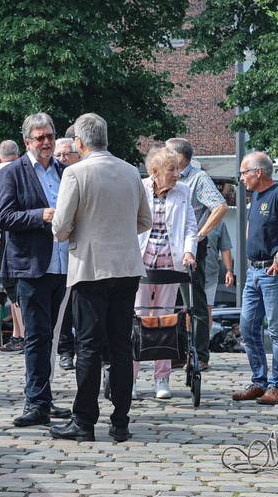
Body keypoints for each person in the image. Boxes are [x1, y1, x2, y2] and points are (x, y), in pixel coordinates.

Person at [50, 114, 151, 443]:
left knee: (89, 346)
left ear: (79, 142)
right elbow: (144, 220)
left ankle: (84, 421)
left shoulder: (75, 173)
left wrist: (81, 232)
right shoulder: (131, 171)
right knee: (121, 345)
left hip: (91, 267)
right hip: (126, 266)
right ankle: (120, 421)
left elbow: (60, 227)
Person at [0, 113, 72, 427]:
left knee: (50, 337)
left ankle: (45, 398)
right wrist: (40, 215)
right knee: (37, 336)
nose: (46, 142)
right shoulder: (12, 172)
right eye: (39, 138)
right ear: (27, 141)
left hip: (63, 265)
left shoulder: (65, 171)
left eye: (50, 136)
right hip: (31, 267)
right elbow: (4, 217)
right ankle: (35, 402)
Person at [233, 151, 278, 406]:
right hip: (254, 271)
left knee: (277, 331)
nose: (241, 178)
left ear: (258, 172)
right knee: (247, 326)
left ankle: (276, 386)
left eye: (243, 173)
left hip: (273, 272)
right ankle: (259, 381)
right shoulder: (256, 196)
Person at [133, 147, 197, 401]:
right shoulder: (139, 188)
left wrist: (189, 252)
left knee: (164, 321)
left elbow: (190, 226)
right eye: (172, 169)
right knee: (137, 320)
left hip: (170, 264)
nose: (177, 174)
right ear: (155, 171)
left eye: (178, 169)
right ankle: (130, 378)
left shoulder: (183, 191)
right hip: (141, 263)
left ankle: (162, 377)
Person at [165, 138, 227, 371]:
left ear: (179, 156)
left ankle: (199, 355)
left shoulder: (198, 178)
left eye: (167, 152)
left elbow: (220, 206)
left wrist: (200, 234)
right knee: (170, 302)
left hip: (189, 248)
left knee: (194, 301)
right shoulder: (166, 175)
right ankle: (176, 352)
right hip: (166, 246)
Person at [0, 139, 24, 352]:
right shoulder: (24, 167)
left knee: (12, 283)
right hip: (26, 228)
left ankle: (22, 335)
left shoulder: (0, 169)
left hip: (10, 231)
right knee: (17, 283)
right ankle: (19, 335)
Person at [53, 137, 81, 371]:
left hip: (81, 252)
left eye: (66, 154)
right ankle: (65, 351)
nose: (62, 159)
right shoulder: (52, 177)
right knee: (63, 306)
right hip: (58, 250)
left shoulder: (83, 176)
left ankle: (84, 349)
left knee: (81, 305)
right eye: (58, 155)